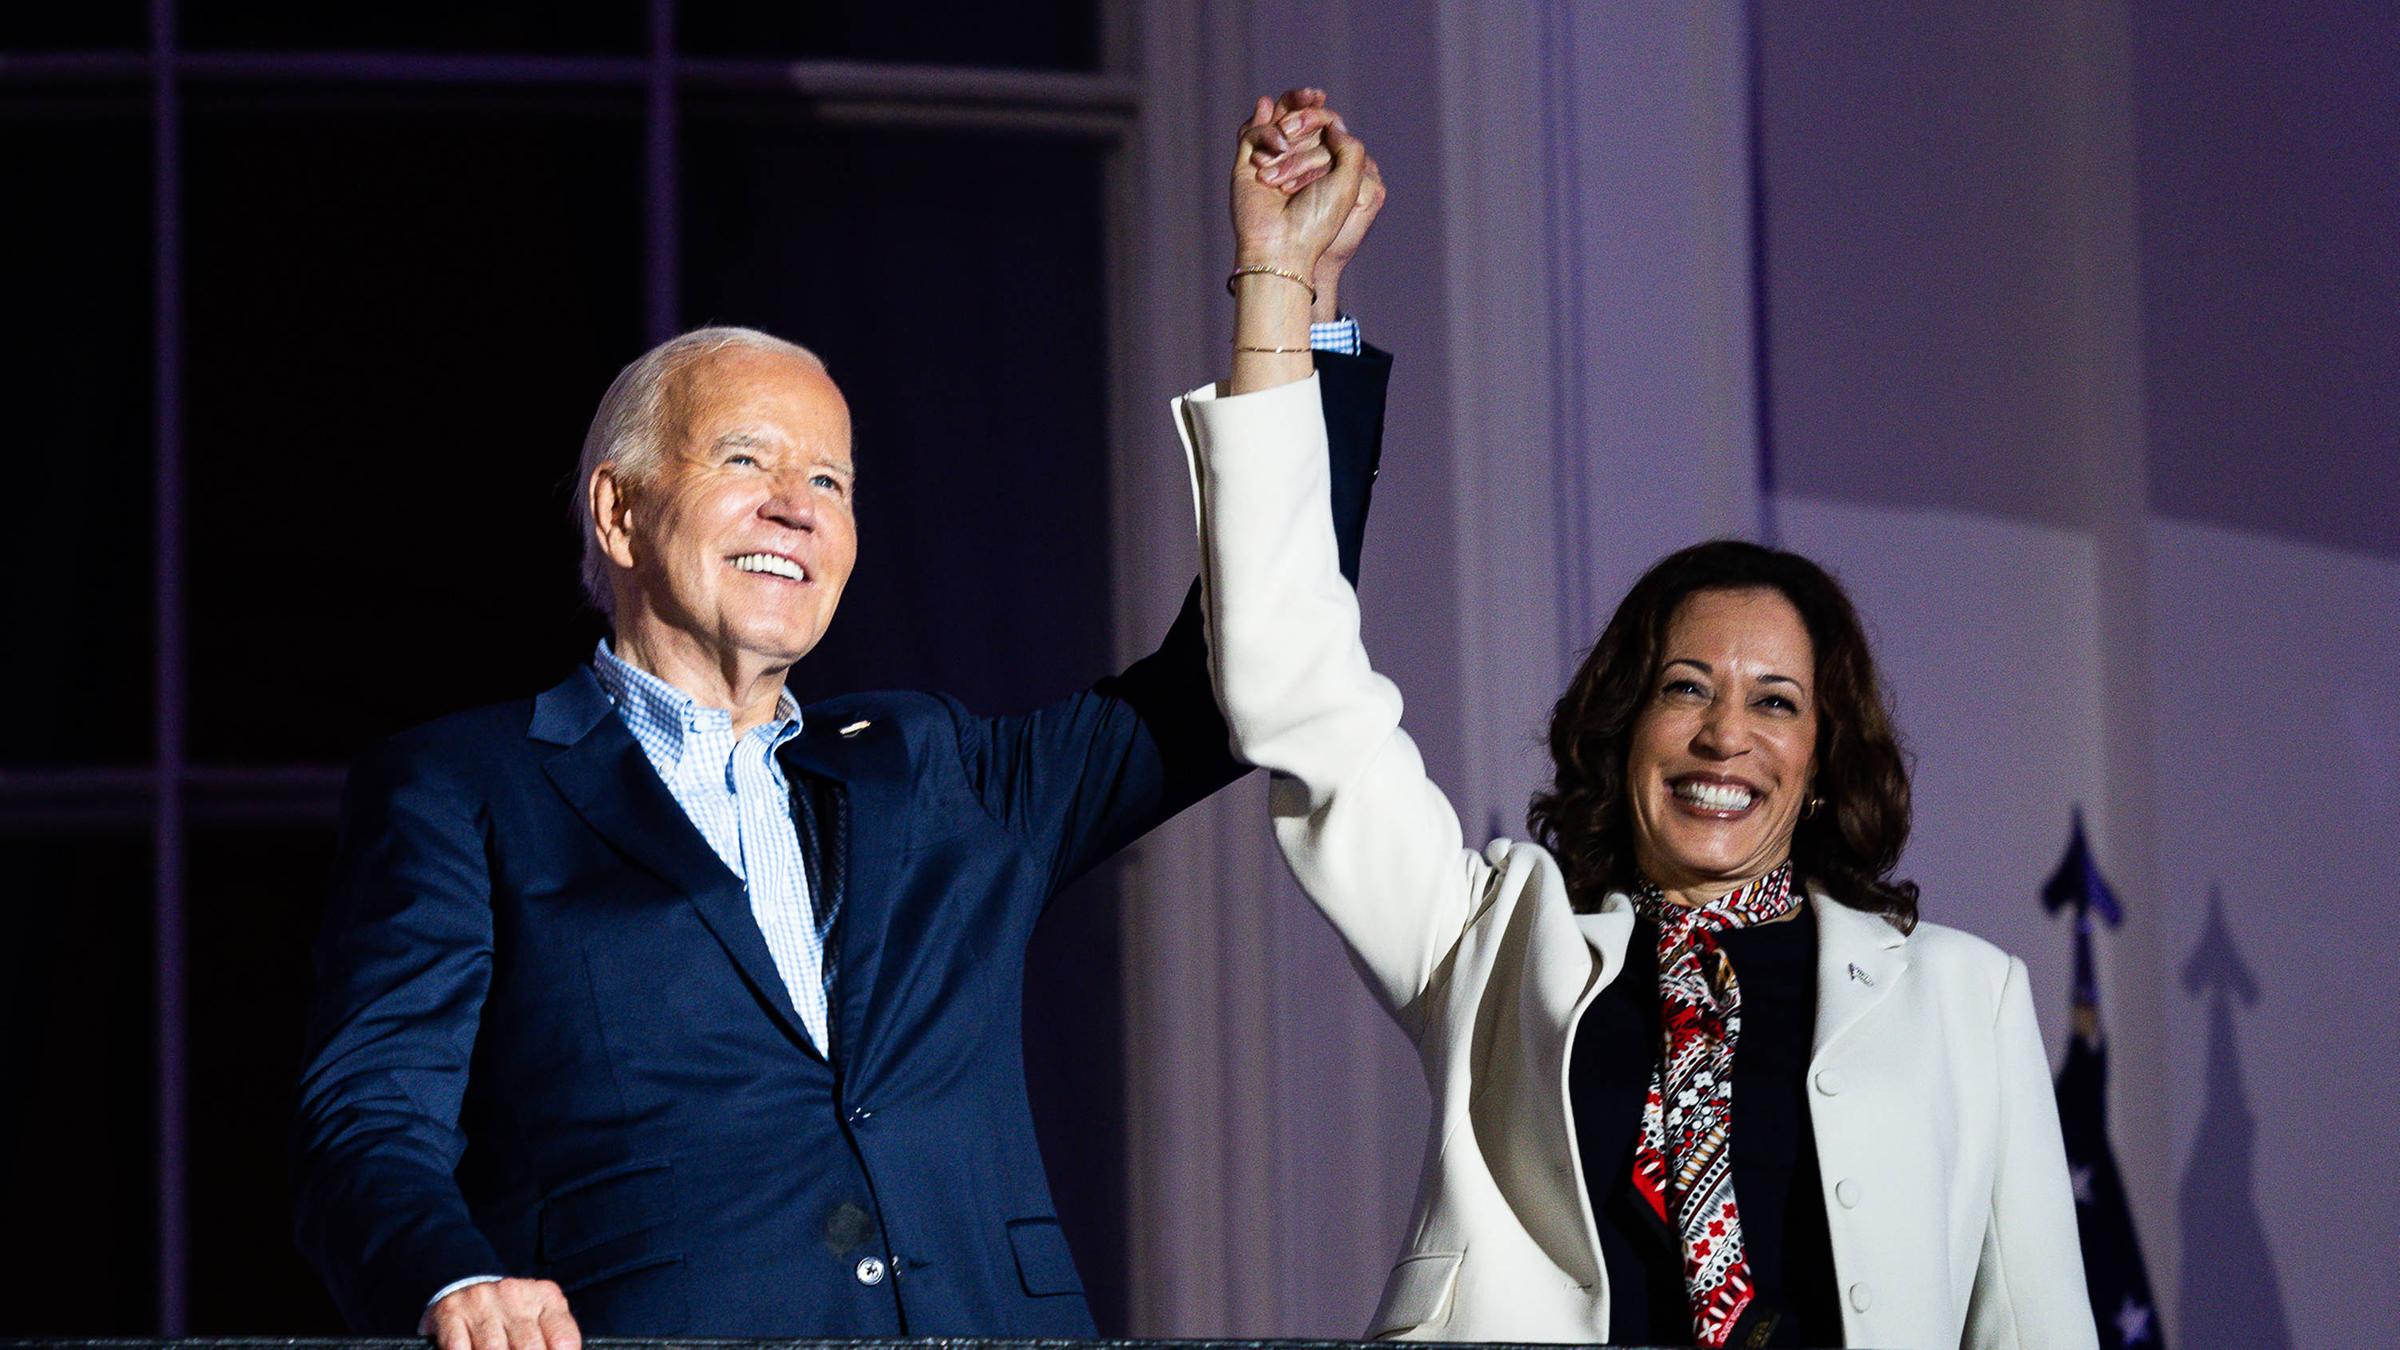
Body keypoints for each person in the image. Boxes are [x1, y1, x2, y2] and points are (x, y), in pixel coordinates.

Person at [290, 92, 1387, 1347]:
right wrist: (450, 1283)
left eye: (830, 481)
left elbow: (1244, 665)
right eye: (746, 463)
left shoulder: (933, 770)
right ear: (619, 514)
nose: (796, 508)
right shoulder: (466, 789)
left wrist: (1281, 292)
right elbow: (366, 1120)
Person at [1171, 122, 2100, 1348]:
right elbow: (1293, 678)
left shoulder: (1966, 1000)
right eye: (1684, 688)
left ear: (1824, 760)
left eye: (1776, 702)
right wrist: (1286, 288)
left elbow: (2039, 1333)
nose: (1727, 736)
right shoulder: (1492, 948)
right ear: (1622, 729)